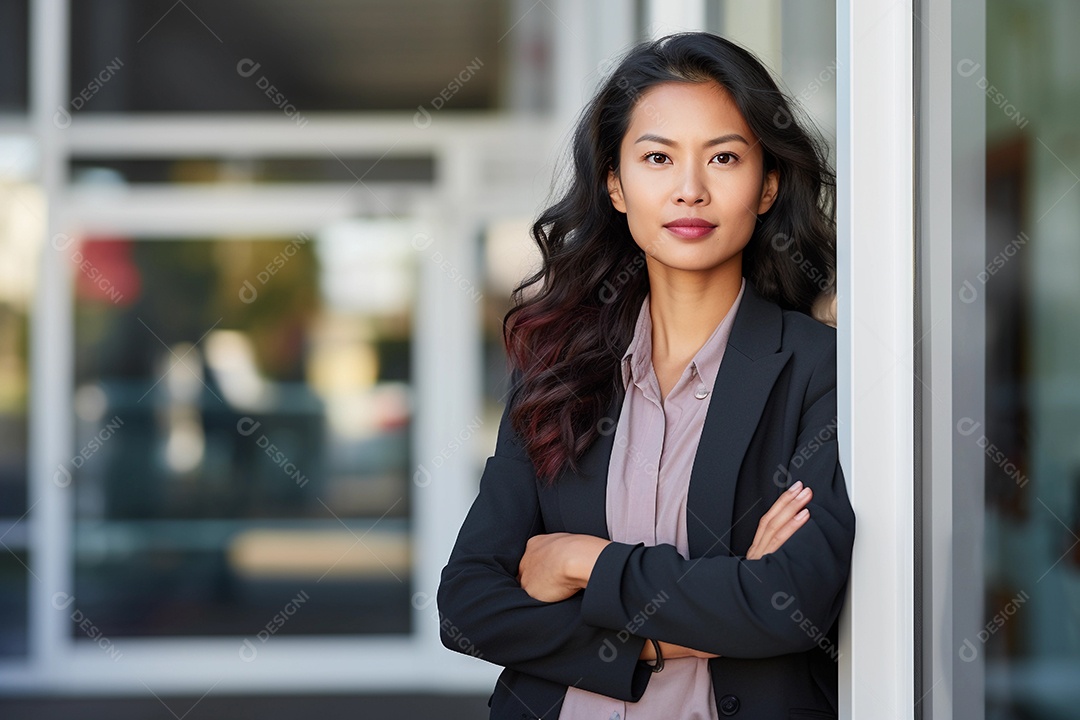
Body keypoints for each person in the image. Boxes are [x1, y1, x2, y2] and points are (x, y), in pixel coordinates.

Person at [438, 31, 855, 719]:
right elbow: (469, 606)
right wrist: (694, 621)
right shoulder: (555, 363)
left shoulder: (818, 368)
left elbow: (790, 605)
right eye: (658, 158)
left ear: (767, 185)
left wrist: (581, 561)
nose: (690, 190)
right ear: (615, 184)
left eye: (723, 157)